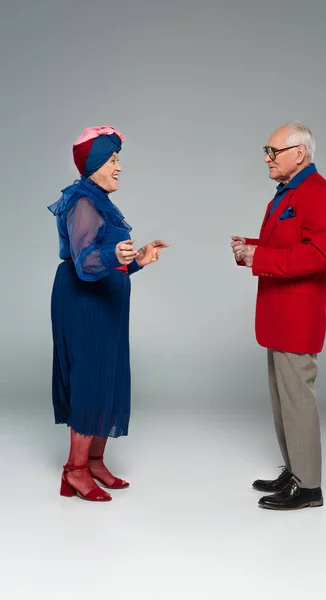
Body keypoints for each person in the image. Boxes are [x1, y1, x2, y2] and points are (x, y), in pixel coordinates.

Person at [48, 126, 168, 502]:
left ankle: (95, 462)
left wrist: (138, 260)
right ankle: (75, 471)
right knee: (89, 378)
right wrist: (114, 256)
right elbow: (85, 264)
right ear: (96, 163)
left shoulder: (99, 200)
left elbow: (108, 263)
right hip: (84, 304)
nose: (119, 168)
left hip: (106, 304)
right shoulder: (82, 202)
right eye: (113, 160)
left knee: (108, 377)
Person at [231, 121, 326, 510]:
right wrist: (251, 247)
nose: (266, 157)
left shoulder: (320, 194)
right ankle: (295, 470)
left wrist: (259, 257)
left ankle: (309, 486)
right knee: (283, 399)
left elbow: (321, 254)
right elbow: (288, 243)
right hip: (279, 313)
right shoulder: (288, 193)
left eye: (272, 151)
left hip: (299, 315)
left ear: (299, 153)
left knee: (297, 398)